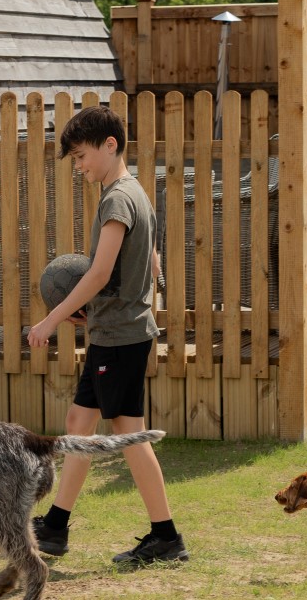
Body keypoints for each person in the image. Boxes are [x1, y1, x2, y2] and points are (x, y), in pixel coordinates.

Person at [26, 105, 187, 567]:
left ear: (109, 145)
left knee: (128, 435)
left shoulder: (117, 199)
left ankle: (166, 536)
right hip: (115, 332)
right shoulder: (134, 191)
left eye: (81, 157)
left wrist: (52, 320)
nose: (79, 167)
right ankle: (55, 529)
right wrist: (107, 306)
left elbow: (98, 273)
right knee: (80, 425)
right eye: (74, 160)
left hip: (119, 339)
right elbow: (152, 262)